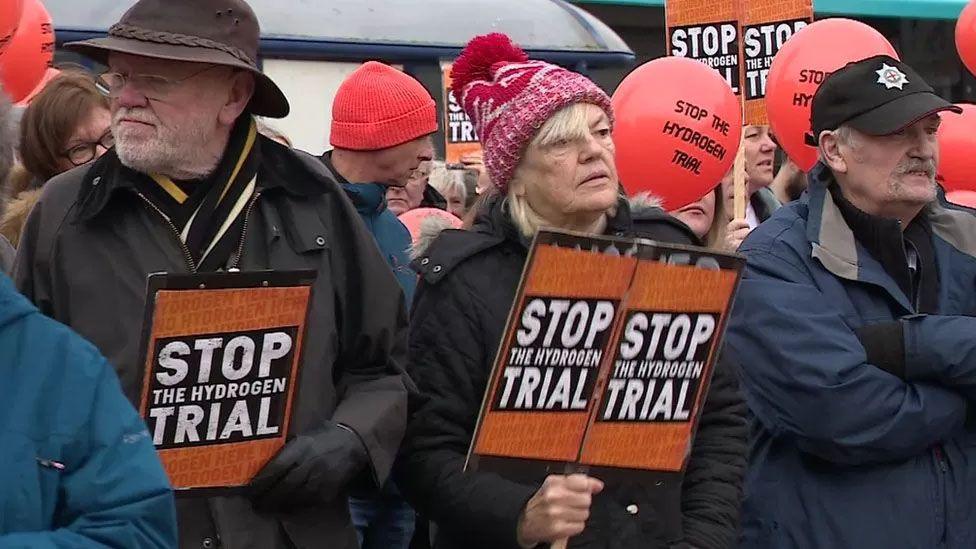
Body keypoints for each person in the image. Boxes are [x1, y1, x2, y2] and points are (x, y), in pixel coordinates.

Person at [14, 1, 409, 547]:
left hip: (291, 530)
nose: (125, 98)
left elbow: (387, 364)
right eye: (120, 77)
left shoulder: (313, 197)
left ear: (234, 96)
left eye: (154, 78)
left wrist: (350, 438)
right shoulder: (65, 212)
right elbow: (22, 388)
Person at [398, 33, 747, 549]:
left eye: (602, 131)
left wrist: (702, 539)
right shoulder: (462, 281)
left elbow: (718, 418)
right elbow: (424, 453)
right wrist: (520, 514)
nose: (593, 152)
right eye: (562, 142)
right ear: (514, 175)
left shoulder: (668, 252)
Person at [725, 55, 976, 548]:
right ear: (834, 150)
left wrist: (907, 344)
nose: (922, 148)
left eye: (929, 130)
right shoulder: (773, 259)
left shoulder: (967, 239)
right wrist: (963, 397)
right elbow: (840, 415)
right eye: (897, 132)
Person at [0, 87, 176, 548]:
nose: (103, 160)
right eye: (81, 149)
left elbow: (135, 526)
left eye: (109, 140)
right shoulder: (49, 230)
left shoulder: (61, 368)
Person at [320, 59, 436, 549]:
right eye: (418, 136)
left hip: (400, 468)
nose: (428, 153)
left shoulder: (392, 228)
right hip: (337, 471)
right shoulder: (307, 217)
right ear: (381, 137)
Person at [2, 70, 112, 248]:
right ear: (49, 164)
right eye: (80, 149)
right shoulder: (37, 239)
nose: (103, 154)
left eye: (110, 137)